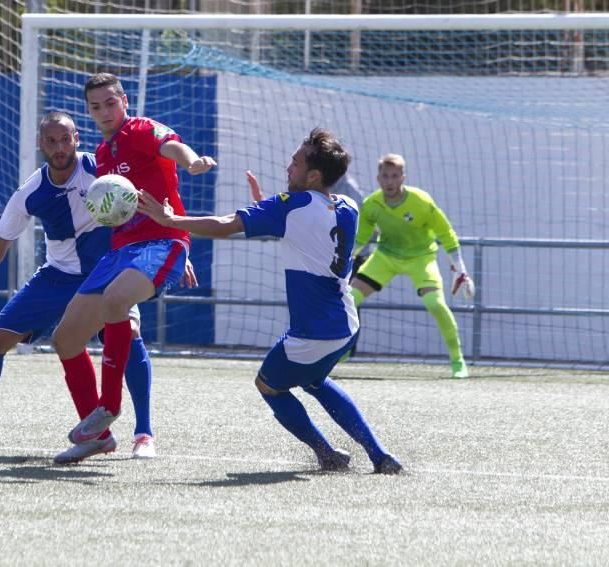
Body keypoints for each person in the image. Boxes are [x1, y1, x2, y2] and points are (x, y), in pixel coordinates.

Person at [138, 128, 401, 474]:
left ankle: (327, 455)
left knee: (268, 386)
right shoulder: (348, 207)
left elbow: (224, 224)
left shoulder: (287, 208)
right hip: (346, 324)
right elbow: (306, 230)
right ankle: (378, 455)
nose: (287, 167)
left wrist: (169, 220)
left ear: (314, 175)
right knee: (313, 382)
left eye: (294, 163)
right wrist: (269, 213)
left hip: (313, 332)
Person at [0, 111, 172, 462]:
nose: (60, 147)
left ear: (77, 138)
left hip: (107, 275)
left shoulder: (103, 170)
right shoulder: (31, 192)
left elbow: (152, 204)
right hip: (57, 276)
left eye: (66, 139)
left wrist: (175, 248)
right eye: (51, 141)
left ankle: (143, 433)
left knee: (130, 335)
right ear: (40, 144)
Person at [50, 73, 216, 462]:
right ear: (89, 112)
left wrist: (192, 163)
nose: (105, 111)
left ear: (123, 101)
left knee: (116, 301)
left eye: (111, 102)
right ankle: (97, 437)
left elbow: (172, 146)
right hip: (119, 252)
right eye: (96, 107)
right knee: (66, 339)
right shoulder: (103, 153)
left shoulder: (139, 129)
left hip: (162, 243)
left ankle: (111, 405)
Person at [351, 153, 475, 379]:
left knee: (435, 303)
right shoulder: (371, 205)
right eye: (385, 176)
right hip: (385, 257)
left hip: (421, 258)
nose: (390, 181)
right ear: (378, 178)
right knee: (349, 300)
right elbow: (360, 239)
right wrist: (341, 264)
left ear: (403, 178)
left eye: (395, 176)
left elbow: (446, 233)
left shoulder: (421, 201)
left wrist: (461, 269)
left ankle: (458, 361)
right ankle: (336, 355)